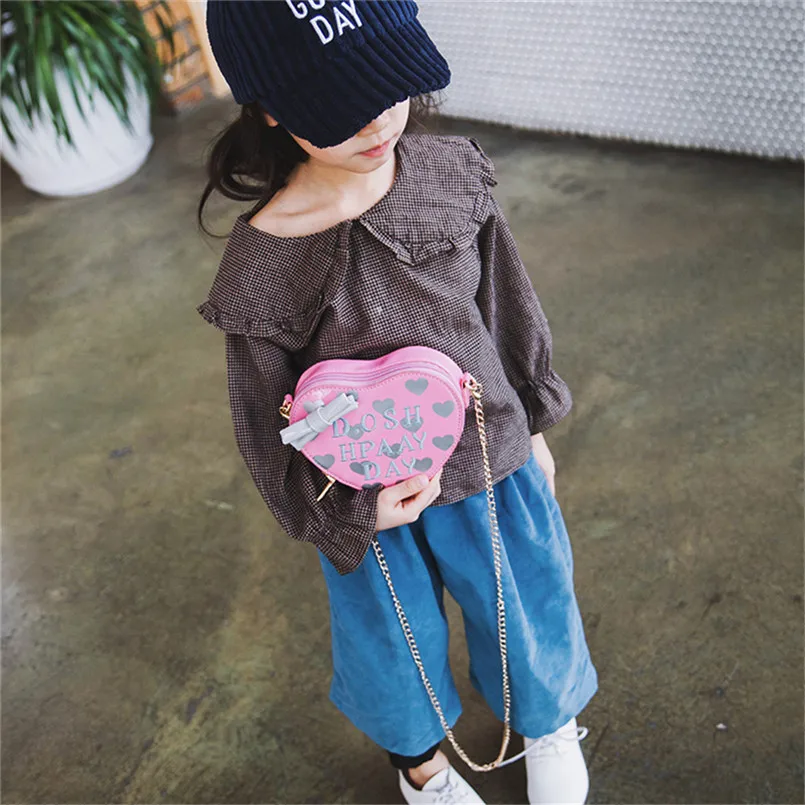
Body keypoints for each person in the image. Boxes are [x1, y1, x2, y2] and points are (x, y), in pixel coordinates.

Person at [199, 2, 597, 803]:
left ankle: (546, 720)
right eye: (338, 104)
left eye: (388, 84)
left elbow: (505, 306)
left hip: (488, 457)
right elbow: (262, 418)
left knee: (525, 601)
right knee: (391, 638)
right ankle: (422, 769)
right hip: (364, 496)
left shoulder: (451, 178)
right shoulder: (262, 263)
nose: (376, 118)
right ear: (270, 110)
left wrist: (533, 422)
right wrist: (335, 513)